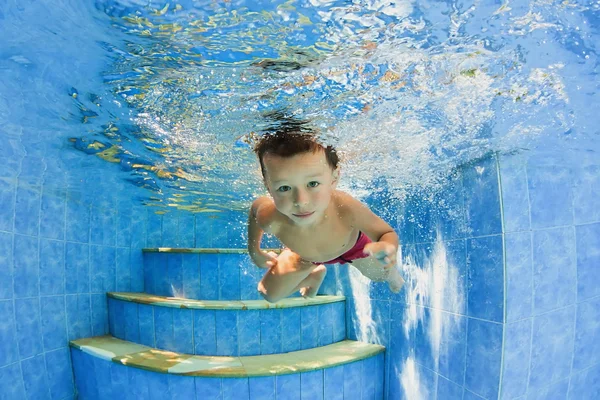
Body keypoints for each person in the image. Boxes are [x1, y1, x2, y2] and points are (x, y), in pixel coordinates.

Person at [247, 129, 405, 303]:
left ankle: (393, 275)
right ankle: (314, 276)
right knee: (268, 294)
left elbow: (385, 233)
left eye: (312, 184)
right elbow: (255, 209)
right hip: (305, 255)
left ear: (334, 178)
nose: (301, 201)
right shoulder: (271, 218)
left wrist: (388, 247)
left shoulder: (345, 208)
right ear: (268, 186)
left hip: (354, 249)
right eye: (284, 188)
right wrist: (255, 250)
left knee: (381, 275)